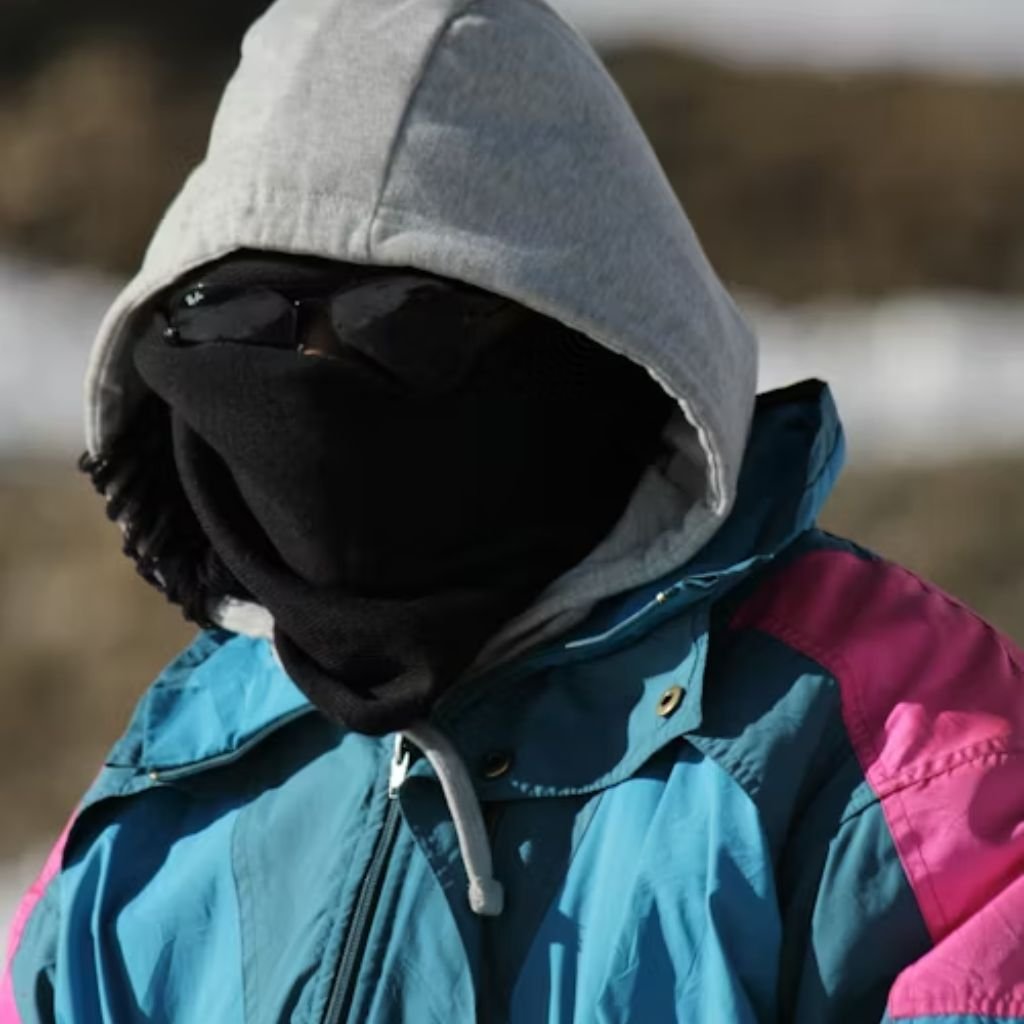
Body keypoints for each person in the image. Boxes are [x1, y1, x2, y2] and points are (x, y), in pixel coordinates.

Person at [3, 0, 1023, 1020]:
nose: (307, 376)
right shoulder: (172, 783)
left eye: (393, 322)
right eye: (237, 318)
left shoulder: (900, 748)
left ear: (588, 334)